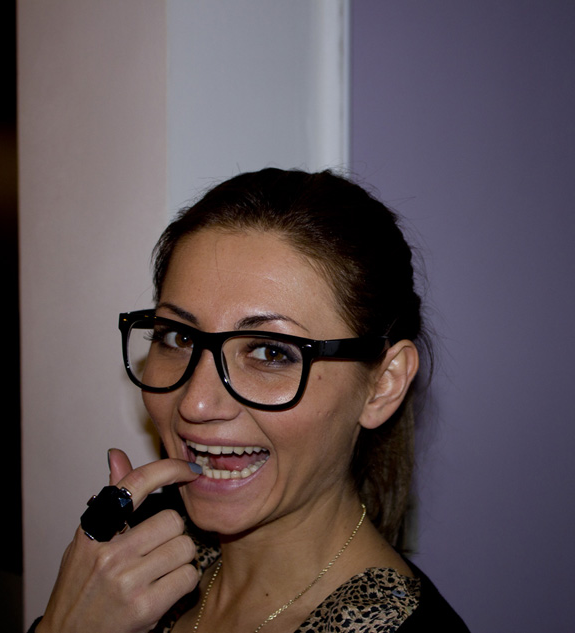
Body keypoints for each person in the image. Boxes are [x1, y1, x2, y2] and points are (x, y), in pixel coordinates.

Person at [32, 168, 470, 633]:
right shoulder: (133, 559)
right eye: (179, 336)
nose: (196, 405)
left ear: (383, 383)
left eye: (270, 352)